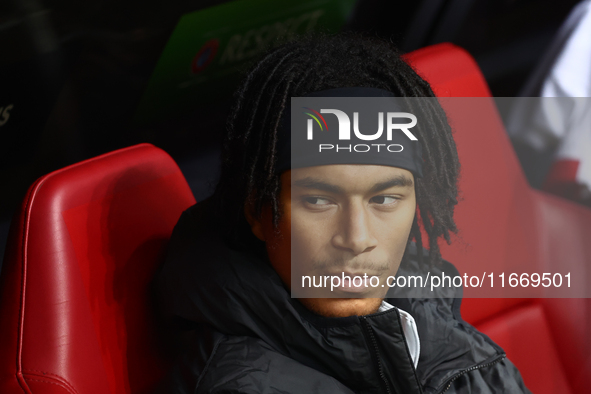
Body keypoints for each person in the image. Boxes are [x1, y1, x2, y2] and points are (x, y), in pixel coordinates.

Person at [154, 33, 530, 393]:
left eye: (384, 200)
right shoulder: (237, 385)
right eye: (319, 201)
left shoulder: (431, 315)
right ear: (258, 211)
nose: (356, 239)